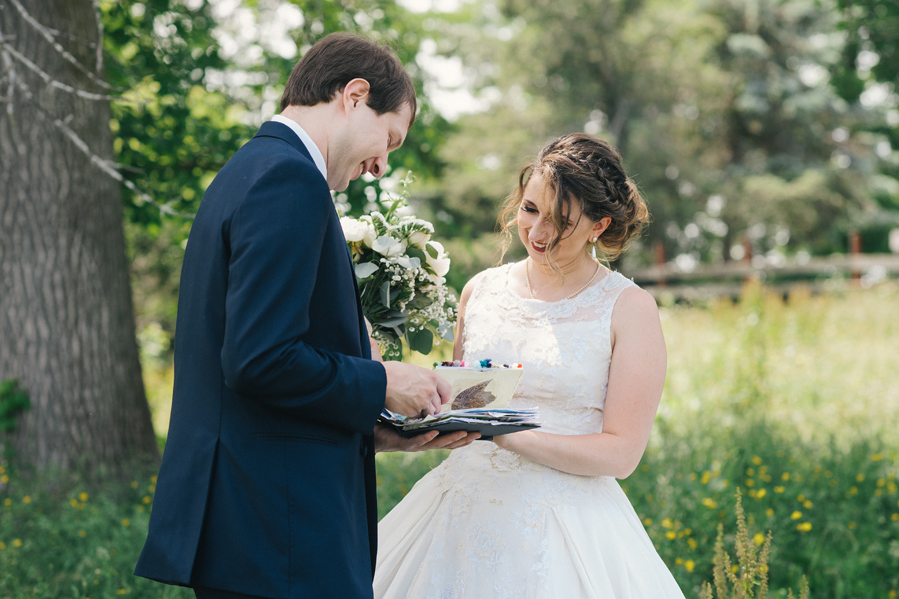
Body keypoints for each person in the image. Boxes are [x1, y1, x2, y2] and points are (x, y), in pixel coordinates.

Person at [134, 33, 476, 599]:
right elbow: (259, 358)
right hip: (278, 536)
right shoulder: (289, 181)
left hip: (253, 526)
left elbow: (249, 372)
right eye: (389, 139)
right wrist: (384, 380)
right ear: (355, 94)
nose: (380, 166)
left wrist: (378, 432)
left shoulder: (249, 169)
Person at [373, 133, 686, 598]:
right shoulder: (478, 290)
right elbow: (460, 401)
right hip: (458, 511)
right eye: (529, 209)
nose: (537, 233)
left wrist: (504, 431)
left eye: (561, 221)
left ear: (598, 226)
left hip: (565, 527)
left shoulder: (629, 309)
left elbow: (620, 455)